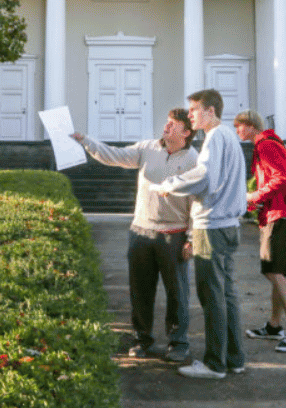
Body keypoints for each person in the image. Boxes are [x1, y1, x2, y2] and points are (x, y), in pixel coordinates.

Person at [70, 109, 198, 362]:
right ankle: (142, 339)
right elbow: (115, 156)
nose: (167, 126)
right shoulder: (148, 148)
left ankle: (178, 342)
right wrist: (86, 140)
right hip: (141, 232)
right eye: (167, 121)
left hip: (174, 235)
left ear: (186, 132)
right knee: (140, 290)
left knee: (177, 292)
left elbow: (197, 200)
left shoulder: (194, 160)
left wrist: (192, 238)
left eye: (173, 124)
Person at [150, 88, 248, 379]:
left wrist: (170, 184)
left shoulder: (216, 137)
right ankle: (234, 358)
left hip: (213, 226)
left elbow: (205, 177)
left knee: (212, 295)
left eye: (193, 110)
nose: (190, 115)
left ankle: (215, 364)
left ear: (210, 111)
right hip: (228, 226)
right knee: (226, 293)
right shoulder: (228, 135)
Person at [235, 110, 286, 353]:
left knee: (274, 272)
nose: (237, 131)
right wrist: (257, 201)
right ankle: (274, 326)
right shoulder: (267, 144)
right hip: (276, 214)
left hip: (278, 215)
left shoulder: (266, 145)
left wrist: (255, 195)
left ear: (250, 126)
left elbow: (282, 177)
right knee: (274, 271)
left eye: (239, 127)